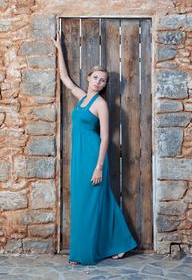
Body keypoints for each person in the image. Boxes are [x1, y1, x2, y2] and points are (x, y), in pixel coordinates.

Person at [52, 31, 138, 265]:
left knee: (94, 203)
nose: (98, 82)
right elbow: (66, 79)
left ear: (104, 85)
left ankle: (85, 253)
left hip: (94, 158)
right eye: (95, 77)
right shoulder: (82, 98)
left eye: (102, 80)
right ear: (89, 77)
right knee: (86, 202)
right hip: (80, 156)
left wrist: (99, 167)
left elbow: (105, 139)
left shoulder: (101, 105)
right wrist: (60, 49)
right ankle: (121, 244)